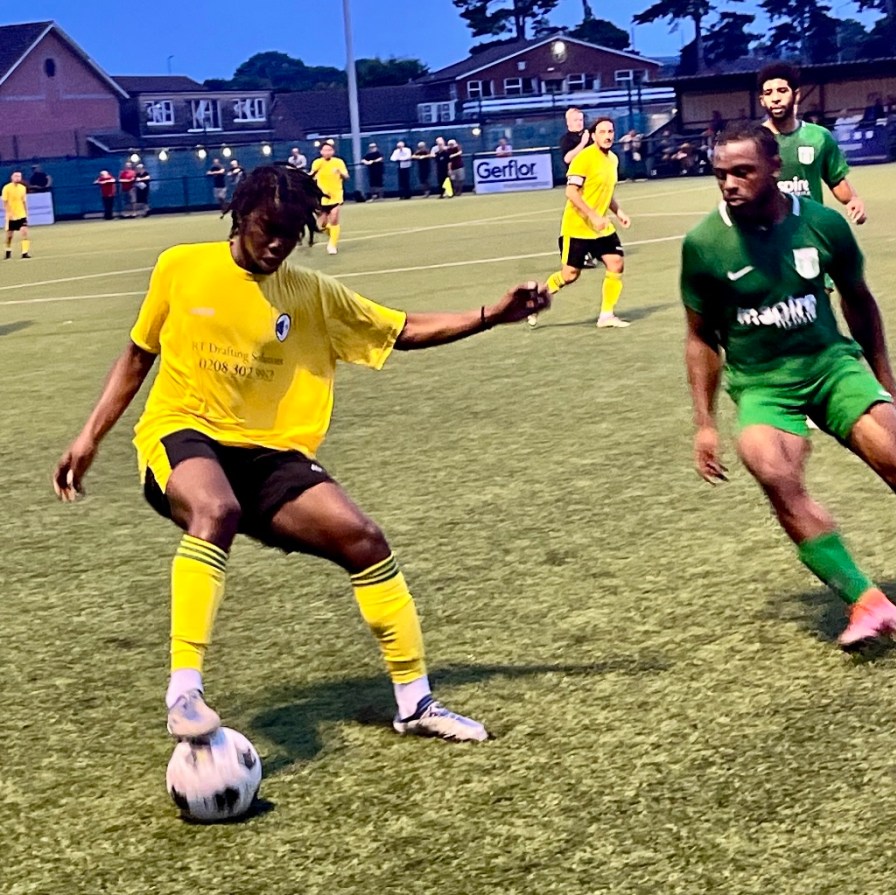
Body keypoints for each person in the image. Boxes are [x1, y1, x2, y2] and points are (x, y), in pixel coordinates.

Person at [52, 165, 551, 750]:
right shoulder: (180, 267)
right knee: (216, 510)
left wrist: (491, 314)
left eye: (291, 233)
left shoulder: (311, 292)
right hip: (184, 432)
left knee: (364, 540)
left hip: (270, 453)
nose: (278, 244)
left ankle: (415, 703)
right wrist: (89, 437)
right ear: (241, 216)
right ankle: (184, 691)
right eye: (268, 228)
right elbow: (139, 355)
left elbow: (401, 329)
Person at [681, 121, 896, 648]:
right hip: (763, 385)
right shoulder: (704, 244)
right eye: (720, 174)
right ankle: (864, 600)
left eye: (742, 172)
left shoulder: (823, 224)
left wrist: (885, 378)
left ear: (774, 167)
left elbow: (858, 300)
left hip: (832, 367)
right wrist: (704, 423)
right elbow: (699, 338)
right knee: (772, 471)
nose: (730, 184)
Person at [532, 117, 631, 330]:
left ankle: (606, 315)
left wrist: (619, 212)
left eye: (610, 131)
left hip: (601, 228)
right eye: (602, 132)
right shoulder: (584, 158)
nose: (607, 136)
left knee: (616, 263)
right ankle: (535, 302)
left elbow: (606, 192)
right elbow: (571, 192)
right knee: (570, 275)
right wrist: (593, 215)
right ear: (593, 136)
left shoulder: (613, 159)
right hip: (577, 227)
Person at [758, 63, 866, 226]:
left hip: (810, 227)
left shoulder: (819, 136)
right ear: (762, 100)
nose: (775, 98)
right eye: (768, 93)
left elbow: (835, 179)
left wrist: (852, 200)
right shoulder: (754, 140)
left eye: (782, 90)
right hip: (770, 229)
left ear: (796, 95)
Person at [559, 108, 598, 268]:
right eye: (576, 120)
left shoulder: (589, 136)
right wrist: (583, 143)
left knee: (592, 215)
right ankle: (577, 253)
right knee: (579, 218)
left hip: (591, 182)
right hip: (577, 184)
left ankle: (590, 250)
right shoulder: (567, 139)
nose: (579, 123)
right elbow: (568, 158)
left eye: (581, 120)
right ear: (568, 123)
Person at [309, 142, 348, 255]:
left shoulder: (338, 162)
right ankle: (333, 234)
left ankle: (332, 245)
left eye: (329, 150)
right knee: (322, 225)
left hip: (336, 196)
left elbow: (346, 176)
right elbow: (311, 175)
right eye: (325, 150)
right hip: (321, 197)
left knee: (334, 219)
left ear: (333, 151)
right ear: (321, 152)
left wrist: (340, 173)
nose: (327, 152)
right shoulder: (317, 162)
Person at [2, 171, 30, 259]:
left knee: (24, 233)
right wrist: (9, 213)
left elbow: (24, 201)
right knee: (9, 236)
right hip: (11, 216)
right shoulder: (6, 188)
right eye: (16, 176)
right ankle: (8, 250)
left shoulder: (23, 188)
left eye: (19, 176)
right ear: (12, 177)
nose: (17, 178)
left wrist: (26, 212)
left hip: (21, 214)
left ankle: (25, 252)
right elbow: (5, 202)